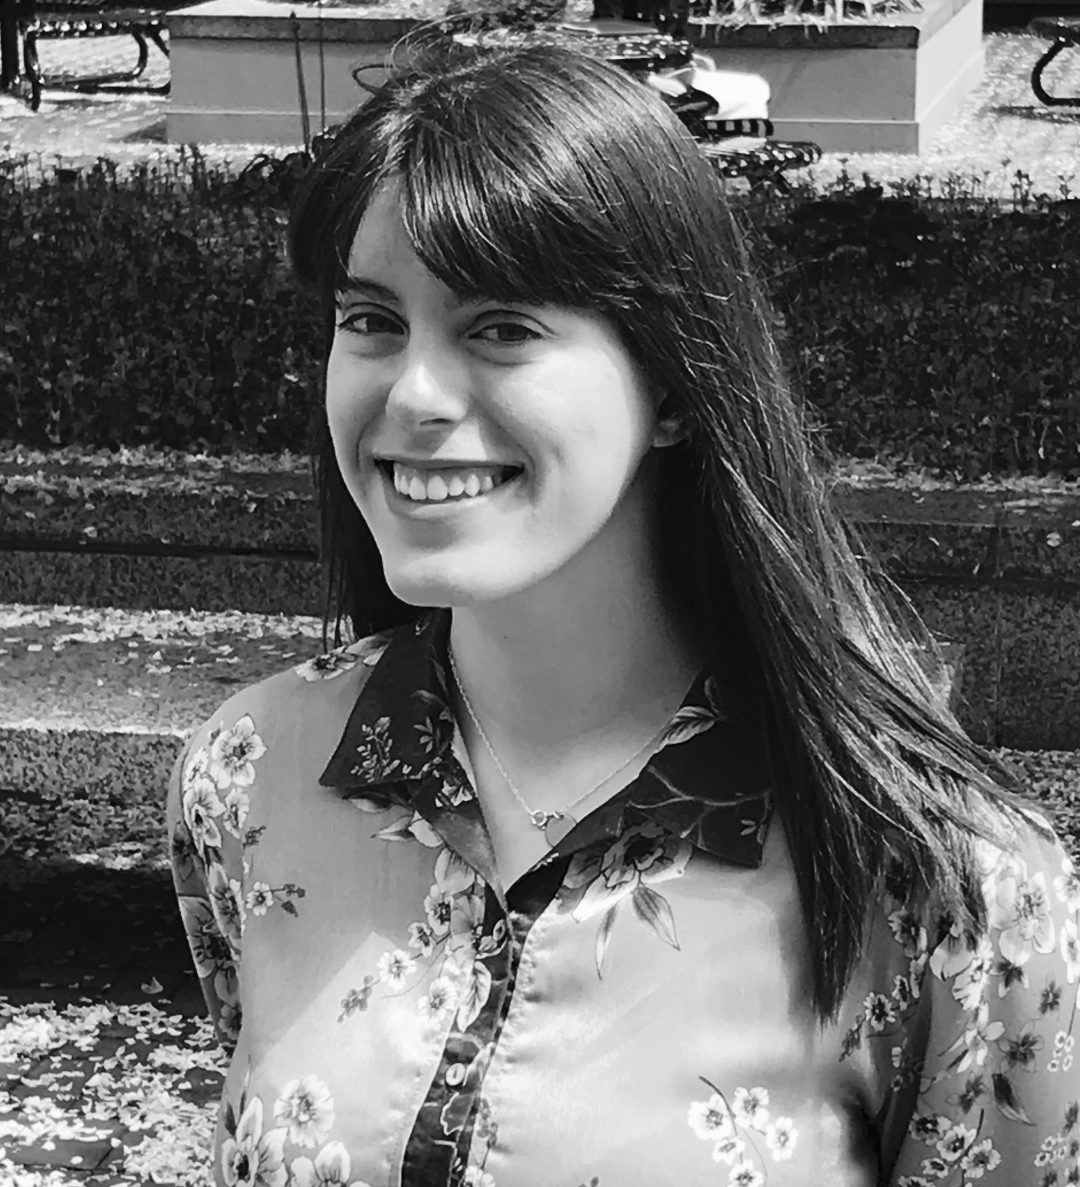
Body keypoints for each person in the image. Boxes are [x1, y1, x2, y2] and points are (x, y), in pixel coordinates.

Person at [167, 38, 1080, 1187]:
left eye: (502, 326)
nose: (414, 393)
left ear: (673, 384)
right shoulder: (247, 775)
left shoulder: (946, 882)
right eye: (371, 319)